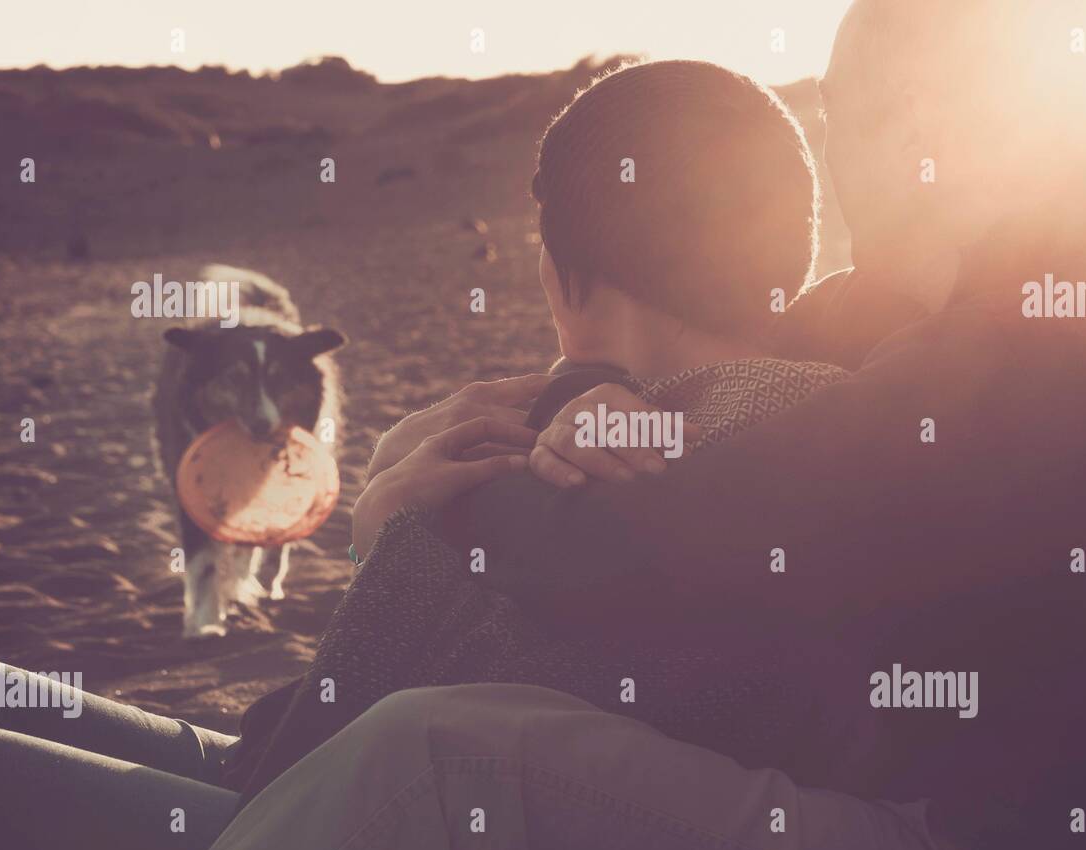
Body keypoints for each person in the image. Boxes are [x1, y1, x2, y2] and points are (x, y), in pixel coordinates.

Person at [434, 0, 1086, 850]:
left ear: (918, 124)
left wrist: (440, 500)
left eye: (834, 110)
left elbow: (613, 552)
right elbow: (703, 375)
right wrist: (594, 392)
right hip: (943, 823)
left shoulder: (1057, 355)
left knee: (440, 757)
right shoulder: (961, 309)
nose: (828, 152)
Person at [224, 59, 858, 805]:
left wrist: (386, 536)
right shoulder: (798, 417)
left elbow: (334, 750)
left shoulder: (592, 460)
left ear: (561, 274)